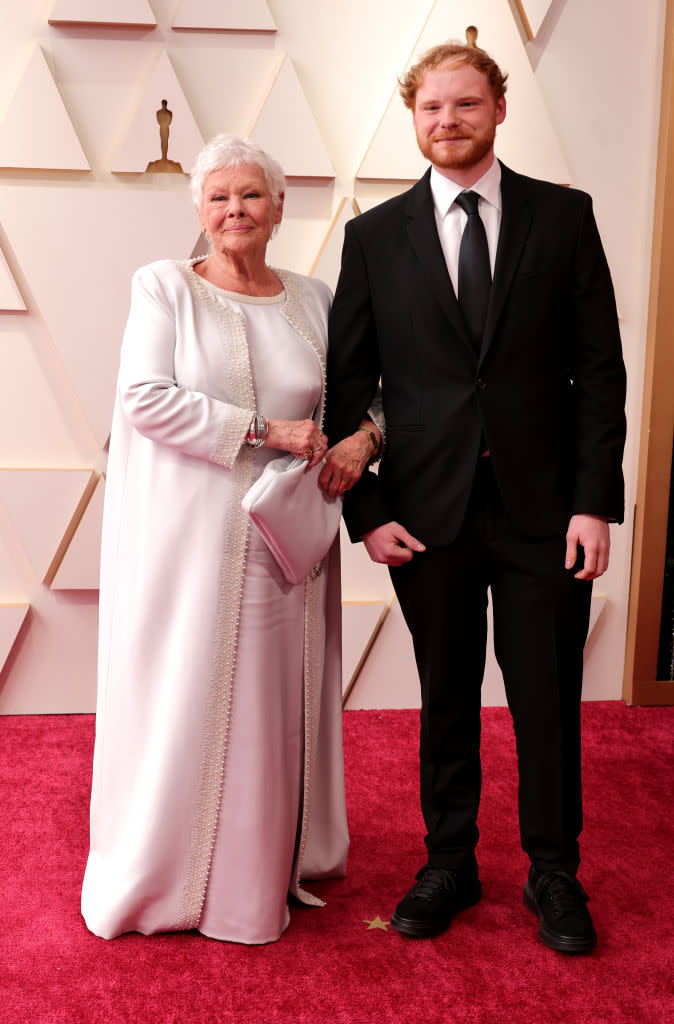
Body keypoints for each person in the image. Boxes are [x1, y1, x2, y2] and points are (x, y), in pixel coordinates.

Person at [322, 41, 626, 953]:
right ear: (413, 120)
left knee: (546, 699)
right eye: (430, 109)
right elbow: (347, 385)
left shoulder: (564, 217)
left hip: (546, 514)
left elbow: (600, 372)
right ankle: (448, 862)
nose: (447, 122)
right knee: (445, 695)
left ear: (499, 108)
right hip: (426, 517)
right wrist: (367, 514)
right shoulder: (375, 236)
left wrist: (594, 502)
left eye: (465, 105)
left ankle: (554, 874)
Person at [81, 134, 379, 944]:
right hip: (193, 544)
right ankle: (180, 876)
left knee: (271, 705)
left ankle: (265, 863)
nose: (235, 211)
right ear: (200, 211)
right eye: (218, 198)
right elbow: (143, 396)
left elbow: (367, 395)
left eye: (251, 195)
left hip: (287, 545)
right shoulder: (165, 287)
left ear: (279, 208)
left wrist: (364, 439)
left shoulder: (315, 297)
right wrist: (259, 428)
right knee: (192, 693)